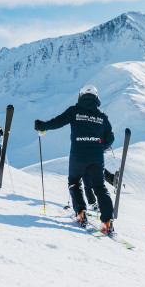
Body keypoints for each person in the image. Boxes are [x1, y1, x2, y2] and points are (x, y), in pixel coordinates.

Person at [35, 85, 116, 234]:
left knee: (74, 181)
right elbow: (110, 138)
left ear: (81, 96)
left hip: (78, 155)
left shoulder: (74, 111)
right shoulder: (103, 116)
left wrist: (42, 126)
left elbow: (57, 122)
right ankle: (107, 221)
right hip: (97, 157)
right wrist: (99, 147)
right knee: (100, 187)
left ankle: (80, 212)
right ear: (96, 98)